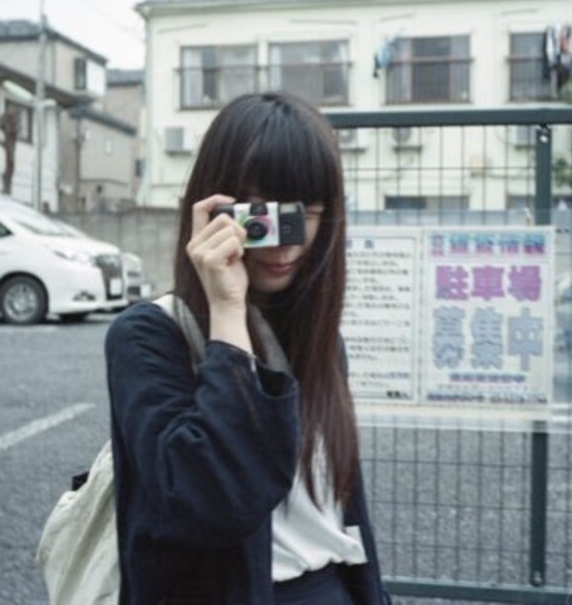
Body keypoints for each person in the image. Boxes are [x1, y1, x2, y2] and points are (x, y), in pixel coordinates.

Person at [105, 92, 391, 605]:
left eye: (304, 215)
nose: (286, 245)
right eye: (263, 218)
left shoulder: (318, 340)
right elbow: (214, 501)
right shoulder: (147, 337)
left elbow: (347, 513)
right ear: (215, 210)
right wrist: (227, 311)